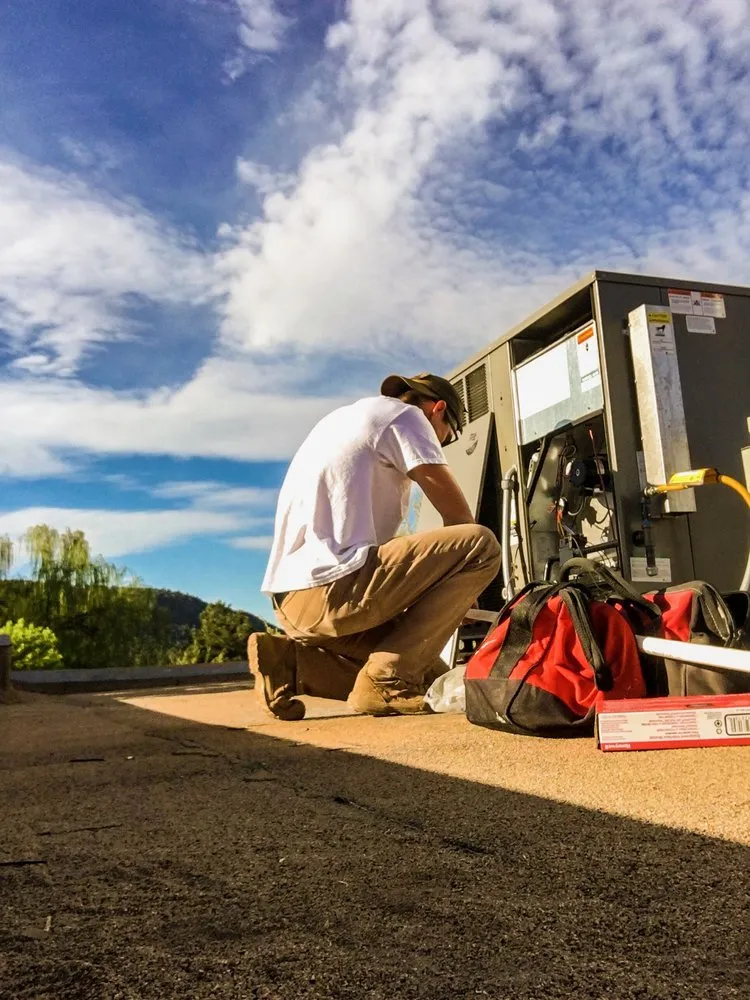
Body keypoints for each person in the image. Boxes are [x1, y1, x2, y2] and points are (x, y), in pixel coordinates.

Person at [249, 372, 502, 719]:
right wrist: (460, 589)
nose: (442, 443)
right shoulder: (408, 416)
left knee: (432, 682)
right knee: (480, 546)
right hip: (333, 588)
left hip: (293, 603)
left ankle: (289, 666)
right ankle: (387, 681)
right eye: (448, 435)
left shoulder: (340, 420)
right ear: (438, 409)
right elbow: (460, 519)